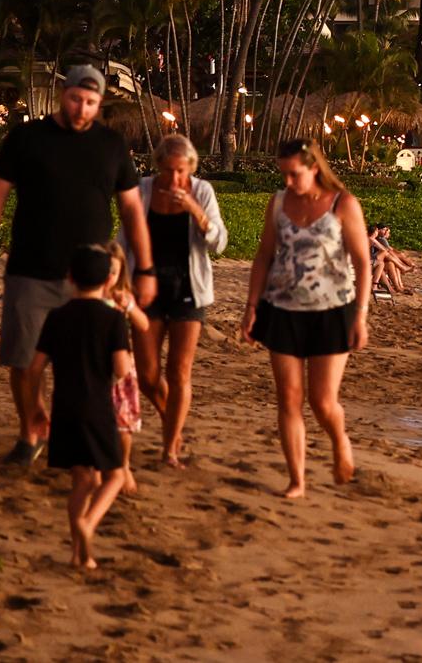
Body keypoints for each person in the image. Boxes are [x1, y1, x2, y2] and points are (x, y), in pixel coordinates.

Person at [0, 65, 151, 467]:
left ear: (99, 104)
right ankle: (30, 429)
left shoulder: (111, 145)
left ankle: (85, 434)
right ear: (62, 94)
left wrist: (146, 268)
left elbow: (132, 210)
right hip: (31, 268)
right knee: (22, 358)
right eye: (75, 99)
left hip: (92, 276)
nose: (81, 109)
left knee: (91, 364)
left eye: (90, 103)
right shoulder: (28, 137)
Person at [241, 139, 370, 498]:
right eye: (282, 174)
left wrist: (361, 316)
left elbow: (362, 262)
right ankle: (297, 479)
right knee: (289, 399)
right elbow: (264, 256)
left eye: (293, 174)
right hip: (282, 310)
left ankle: (340, 441)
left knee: (322, 401)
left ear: (314, 168)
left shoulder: (343, 204)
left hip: (333, 311)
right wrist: (251, 307)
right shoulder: (279, 203)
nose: (287, 181)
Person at [120, 133, 227, 470]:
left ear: (191, 168)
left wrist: (195, 210)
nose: (175, 178)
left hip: (188, 291)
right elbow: (124, 239)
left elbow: (219, 243)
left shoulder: (203, 191)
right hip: (146, 289)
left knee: (179, 372)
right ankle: (173, 423)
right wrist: (120, 281)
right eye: (168, 170)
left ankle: (170, 449)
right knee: (148, 375)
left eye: (182, 171)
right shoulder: (143, 189)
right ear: (158, 166)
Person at [31, 244, 135, 568]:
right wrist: (127, 362)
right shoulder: (112, 320)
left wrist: (36, 406)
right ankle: (89, 523)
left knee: (83, 481)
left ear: (70, 277)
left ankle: (79, 554)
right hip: (97, 410)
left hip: (64, 410)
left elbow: (35, 367)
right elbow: (120, 369)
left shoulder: (57, 316)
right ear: (108, 280)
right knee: (114, 477)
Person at [101, 244, 149, 495]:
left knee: (124, 423)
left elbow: (143, 325)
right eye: (105, 270)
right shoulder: (91, 295)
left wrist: (128, 307)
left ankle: (124, 464)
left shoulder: (123, 297)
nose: (109, 276)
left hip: (122, 371)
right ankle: (101, 466)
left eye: (114, 271)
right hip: (97, 368)